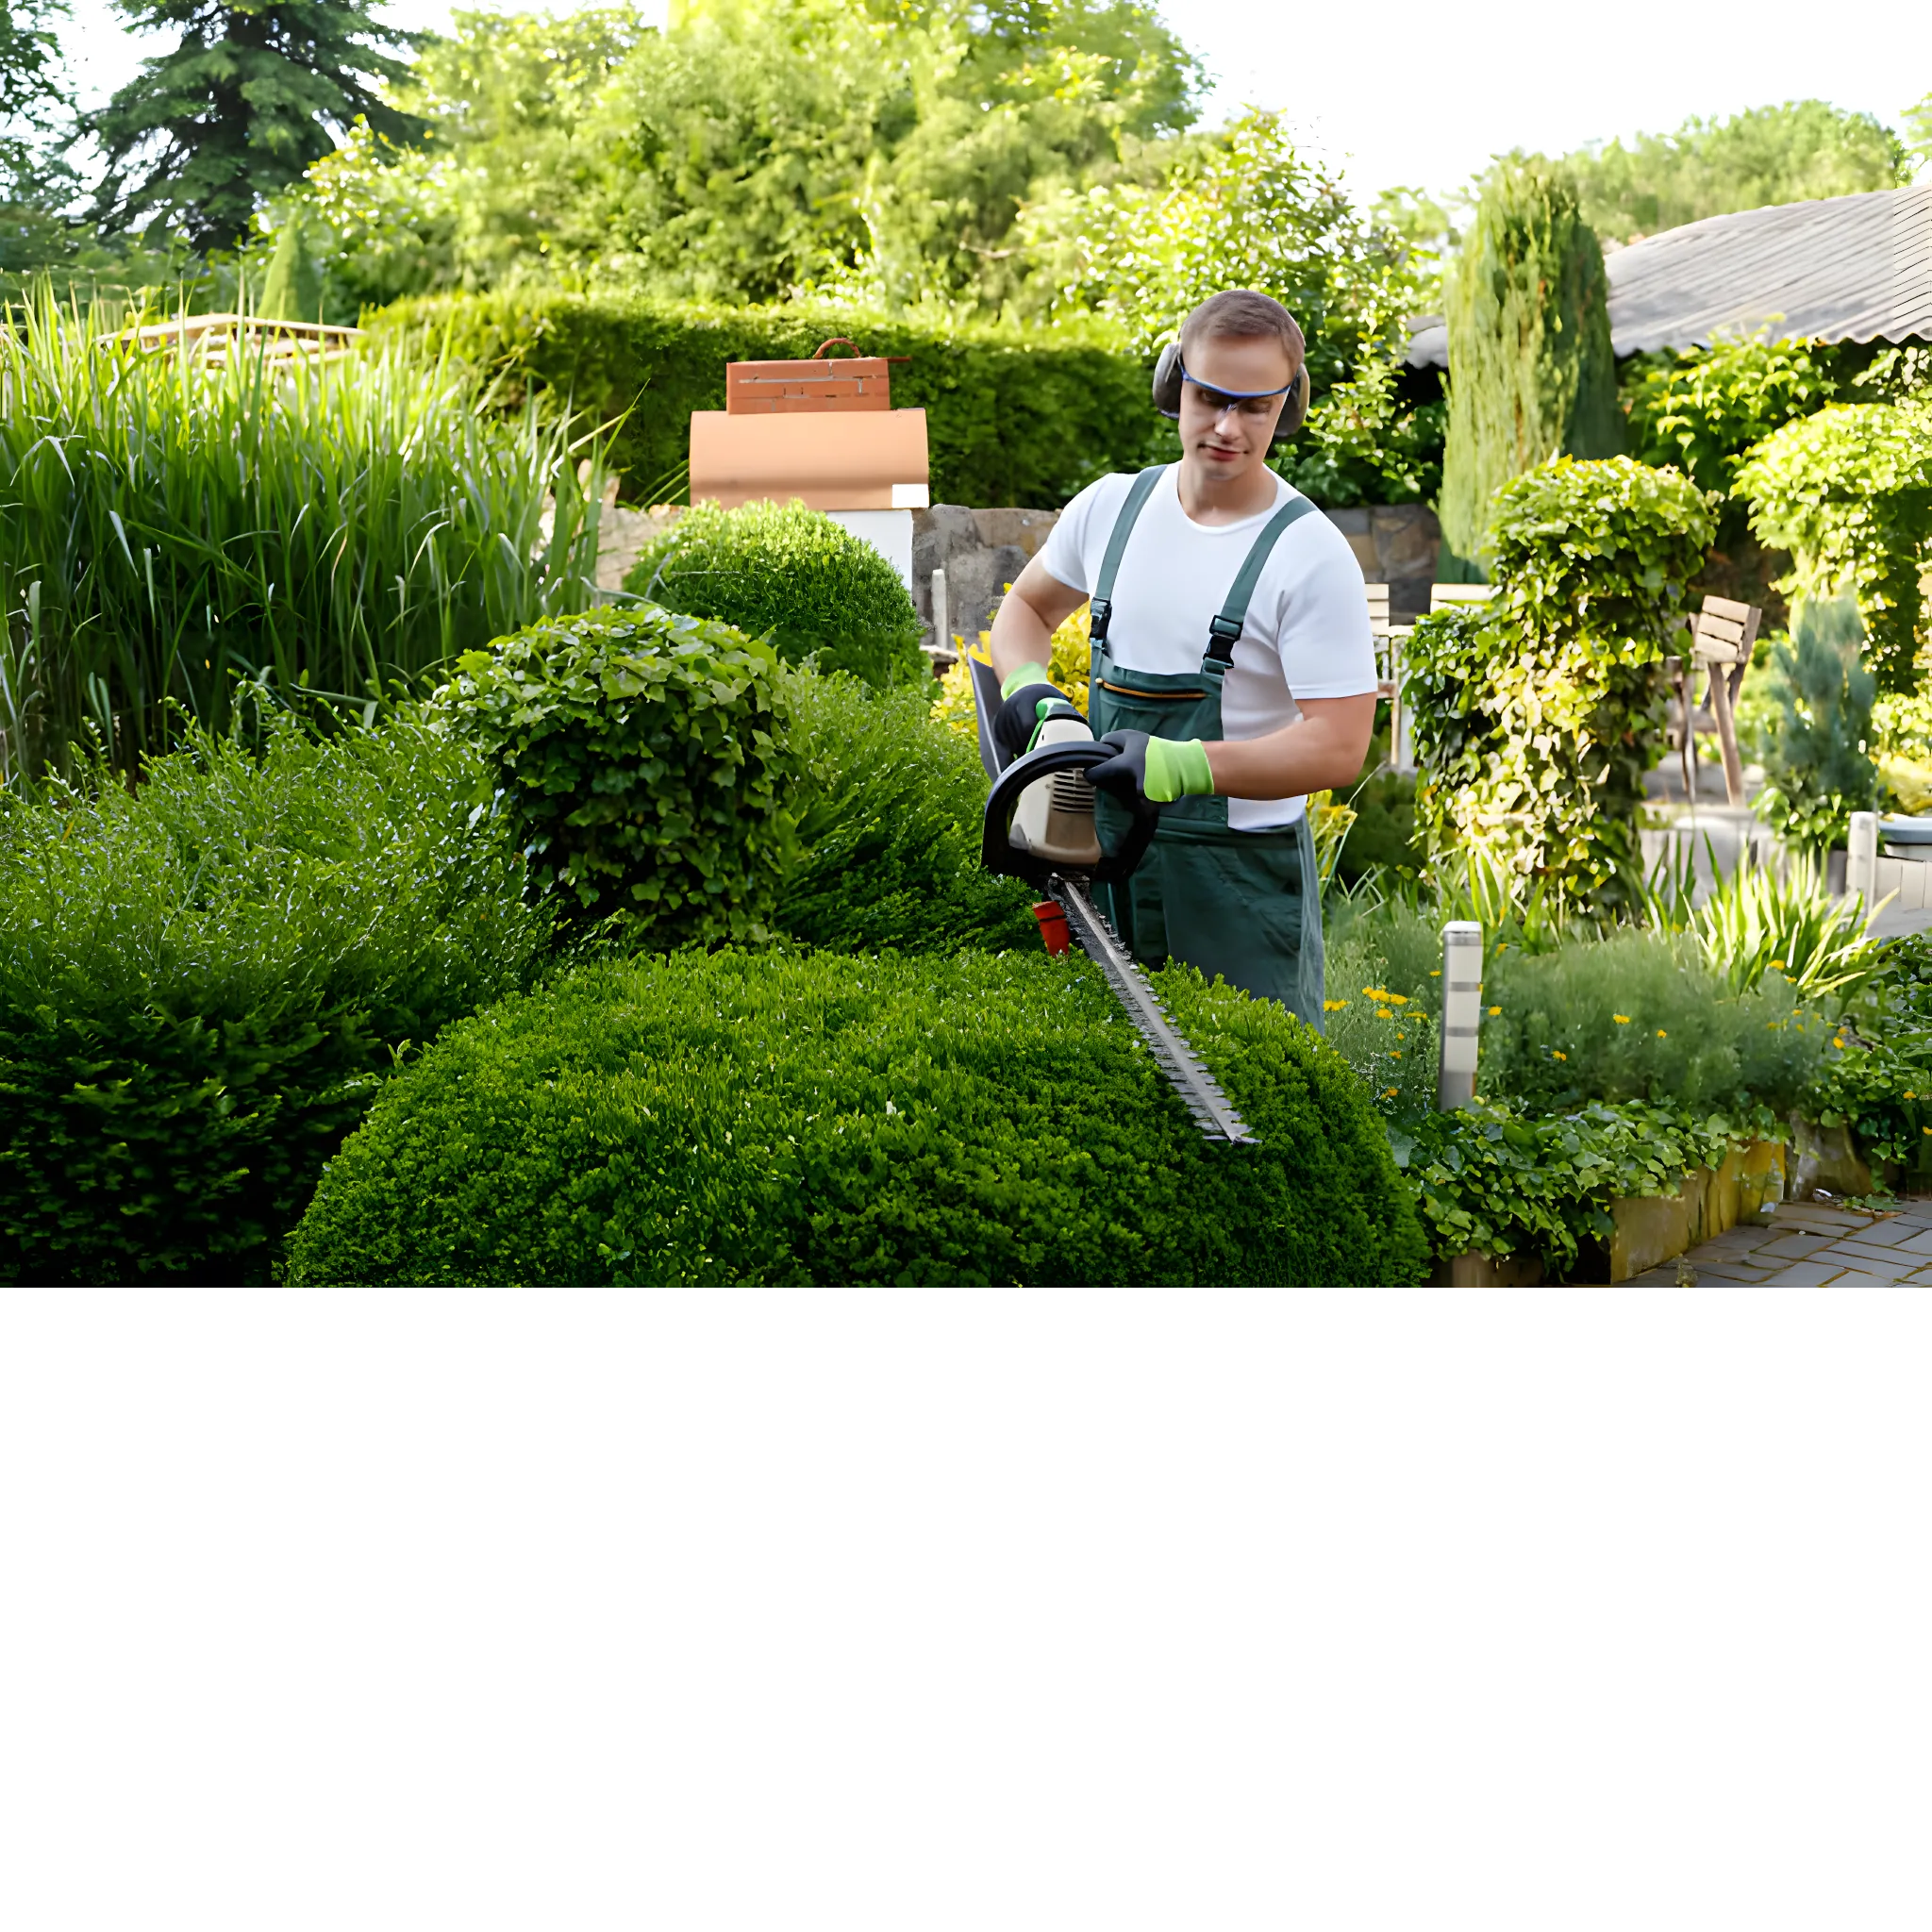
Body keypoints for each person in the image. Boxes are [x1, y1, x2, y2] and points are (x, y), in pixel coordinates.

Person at [986, 290, 1376, 1028]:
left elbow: (1338, 745)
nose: (1228, 427)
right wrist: (1034, 696)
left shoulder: (1308, 552)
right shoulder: (1110, 509)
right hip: (1101, 867)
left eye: (1254, 407)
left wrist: (1183, 765)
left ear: (1285, 409)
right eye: (1210, 398)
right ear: (1175, 387)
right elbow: (1026, 610)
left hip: (1236, 886)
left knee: (1255, 1104)